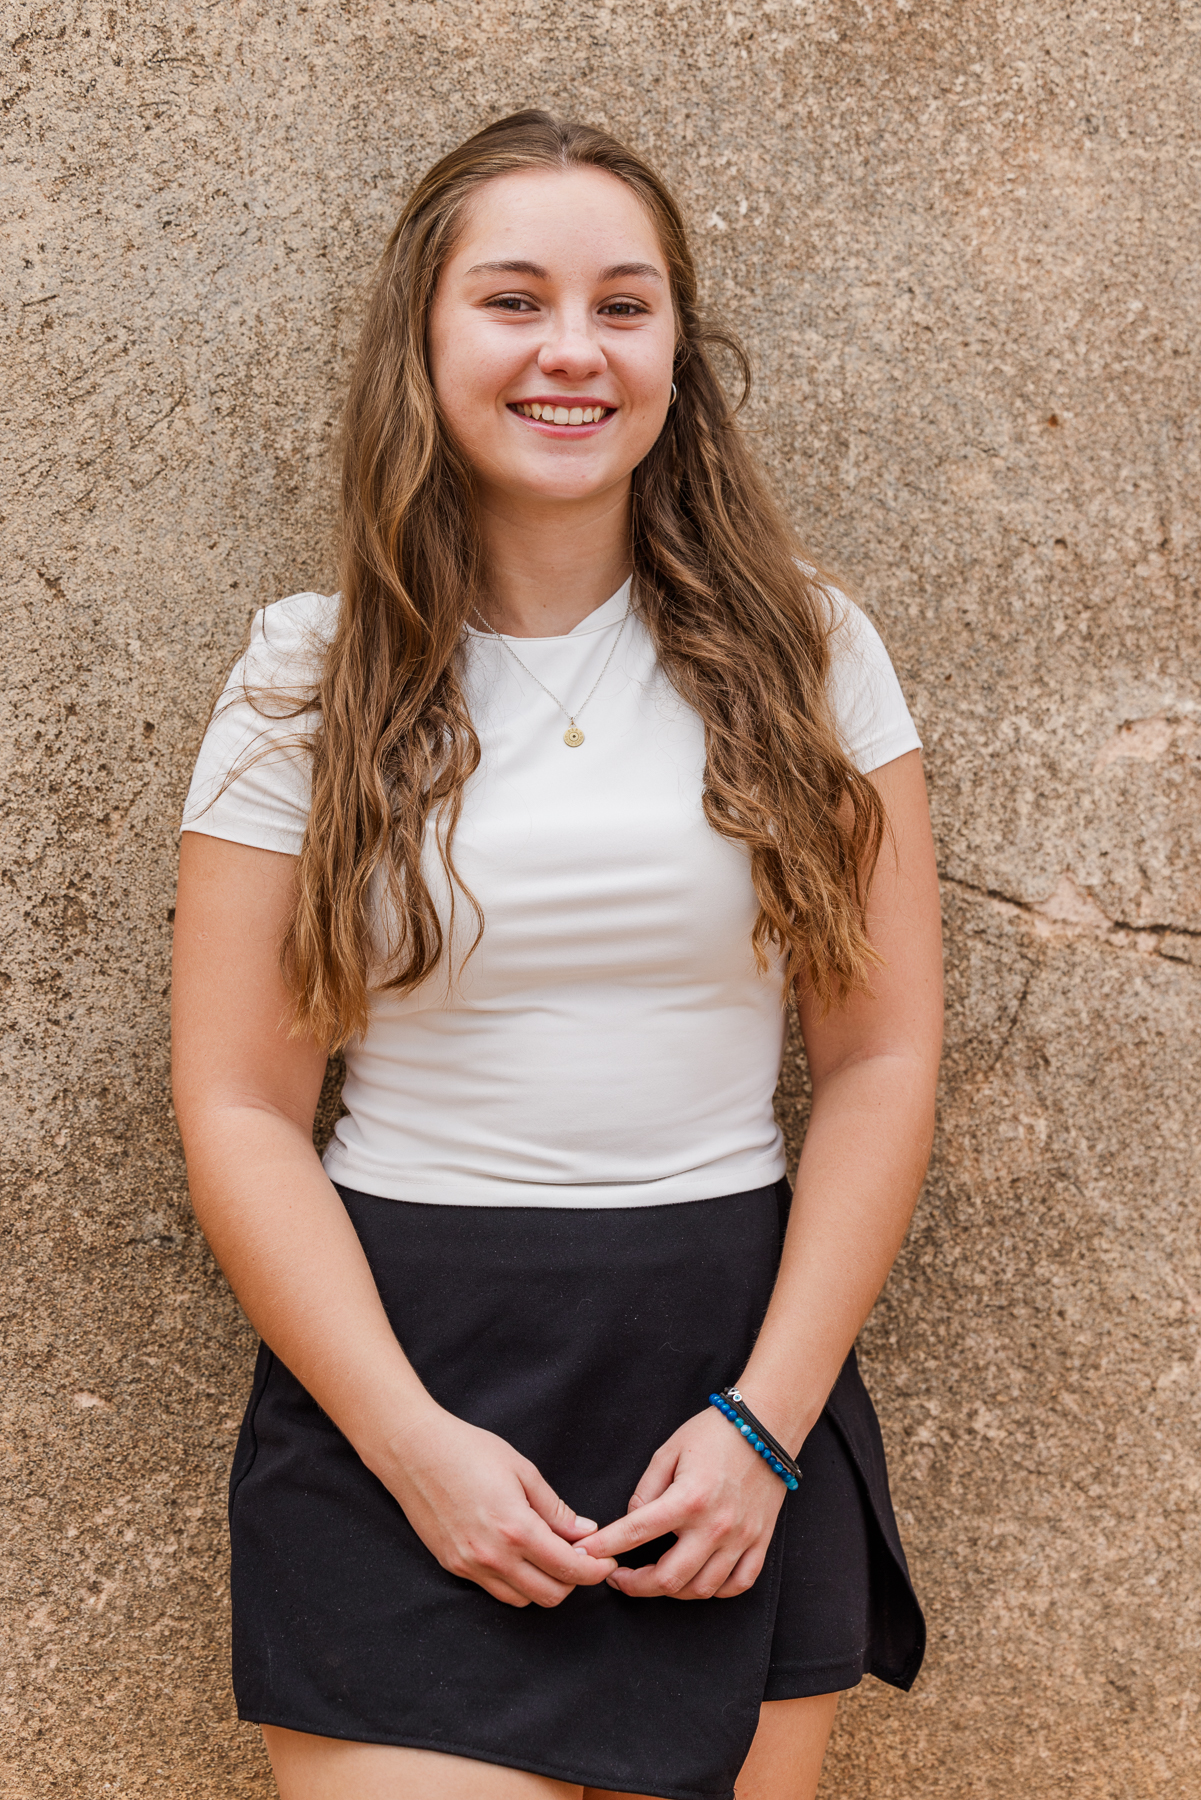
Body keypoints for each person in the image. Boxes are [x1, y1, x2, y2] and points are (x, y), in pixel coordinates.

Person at [172, 110, 943, 1800]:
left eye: (625, 302)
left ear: (678, 343)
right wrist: (408, 1445)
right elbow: (235, 1104)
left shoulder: (811, 654)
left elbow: (880, 1061)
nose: (574, 351)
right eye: (513, 300)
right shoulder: (307, 682)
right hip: (405, 1376)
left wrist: (765, 1425)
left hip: (731, 1384)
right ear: (424, 340)